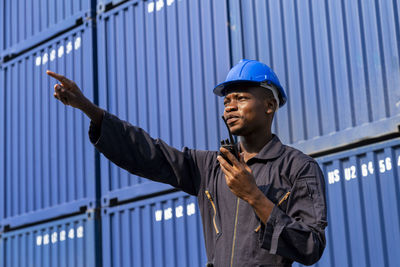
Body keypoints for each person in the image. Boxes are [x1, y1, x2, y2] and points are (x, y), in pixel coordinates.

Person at [47, 59, 327, 267]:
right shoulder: (211, 167)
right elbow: (147, 152)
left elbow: (311, 247)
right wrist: (87, 107)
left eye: (241, 98)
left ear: (270, 105)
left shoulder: (299, 168)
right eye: (226, 100)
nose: (229, 106)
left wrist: (254, 196)